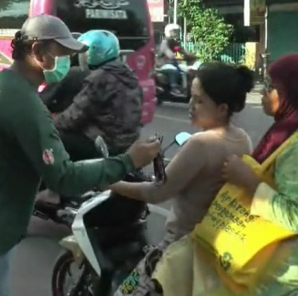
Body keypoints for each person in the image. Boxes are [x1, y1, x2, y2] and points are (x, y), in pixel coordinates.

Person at [0, 14, 161, 296]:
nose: (68, 62)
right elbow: (64, 176)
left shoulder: (1, 83)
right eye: (62, 54)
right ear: (37, 52)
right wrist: (128, 161)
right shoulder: (26, 106)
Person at [150, 53, 298, 296]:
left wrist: (248, 181)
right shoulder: (285, 130)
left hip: (290, 258)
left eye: (272, 87)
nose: (263, 92)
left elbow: (295, 217)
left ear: (294, 93)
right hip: (264, 241)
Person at [109, 62, 254, 296]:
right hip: (216, 250)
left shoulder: (201, 144)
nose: (191, 105)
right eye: (191, 97)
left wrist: (110, 182)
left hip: (178, 250)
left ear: (222, 108)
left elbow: (157, 192)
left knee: (125, 292)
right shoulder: (242, 139)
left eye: (199, 100)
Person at [38, 30, 144, 205]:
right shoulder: (128, 74)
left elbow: (72, 118)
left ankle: (53, 191)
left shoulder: (99, 78)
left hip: (104, 144)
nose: (82, 57)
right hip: (126, 143)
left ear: (93, 53)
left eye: (84, 52)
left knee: (51, 139)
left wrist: (48, 124)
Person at [156, 23, 193, 96]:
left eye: (177, 31)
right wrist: (181, 56)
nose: (176, 33)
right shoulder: (165, 42)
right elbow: (170, 55)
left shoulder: (175, 43)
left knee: (187, 70)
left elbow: (181, 51)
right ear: (168, 32)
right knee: (173, 70)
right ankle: (174, 88)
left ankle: (186, 88)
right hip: (163, 64)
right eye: (174, 31)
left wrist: (190, 56)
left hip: (174, 64)